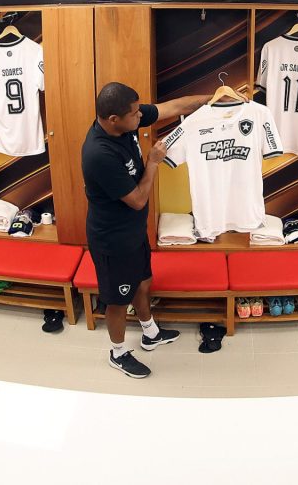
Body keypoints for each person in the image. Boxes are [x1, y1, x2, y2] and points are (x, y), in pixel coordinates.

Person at [81, 82, 210, 378]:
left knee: (143, 281)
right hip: (112, 240)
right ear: (114, 119)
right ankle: (118, 353)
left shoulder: (125, 120)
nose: (141, 117)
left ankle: (150, 332)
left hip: (133, 232)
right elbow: (138, 200)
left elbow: (174, 108)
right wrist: (153, 163)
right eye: (135, 114)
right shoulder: (99, 153)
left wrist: (212, 99)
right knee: (117, 301)